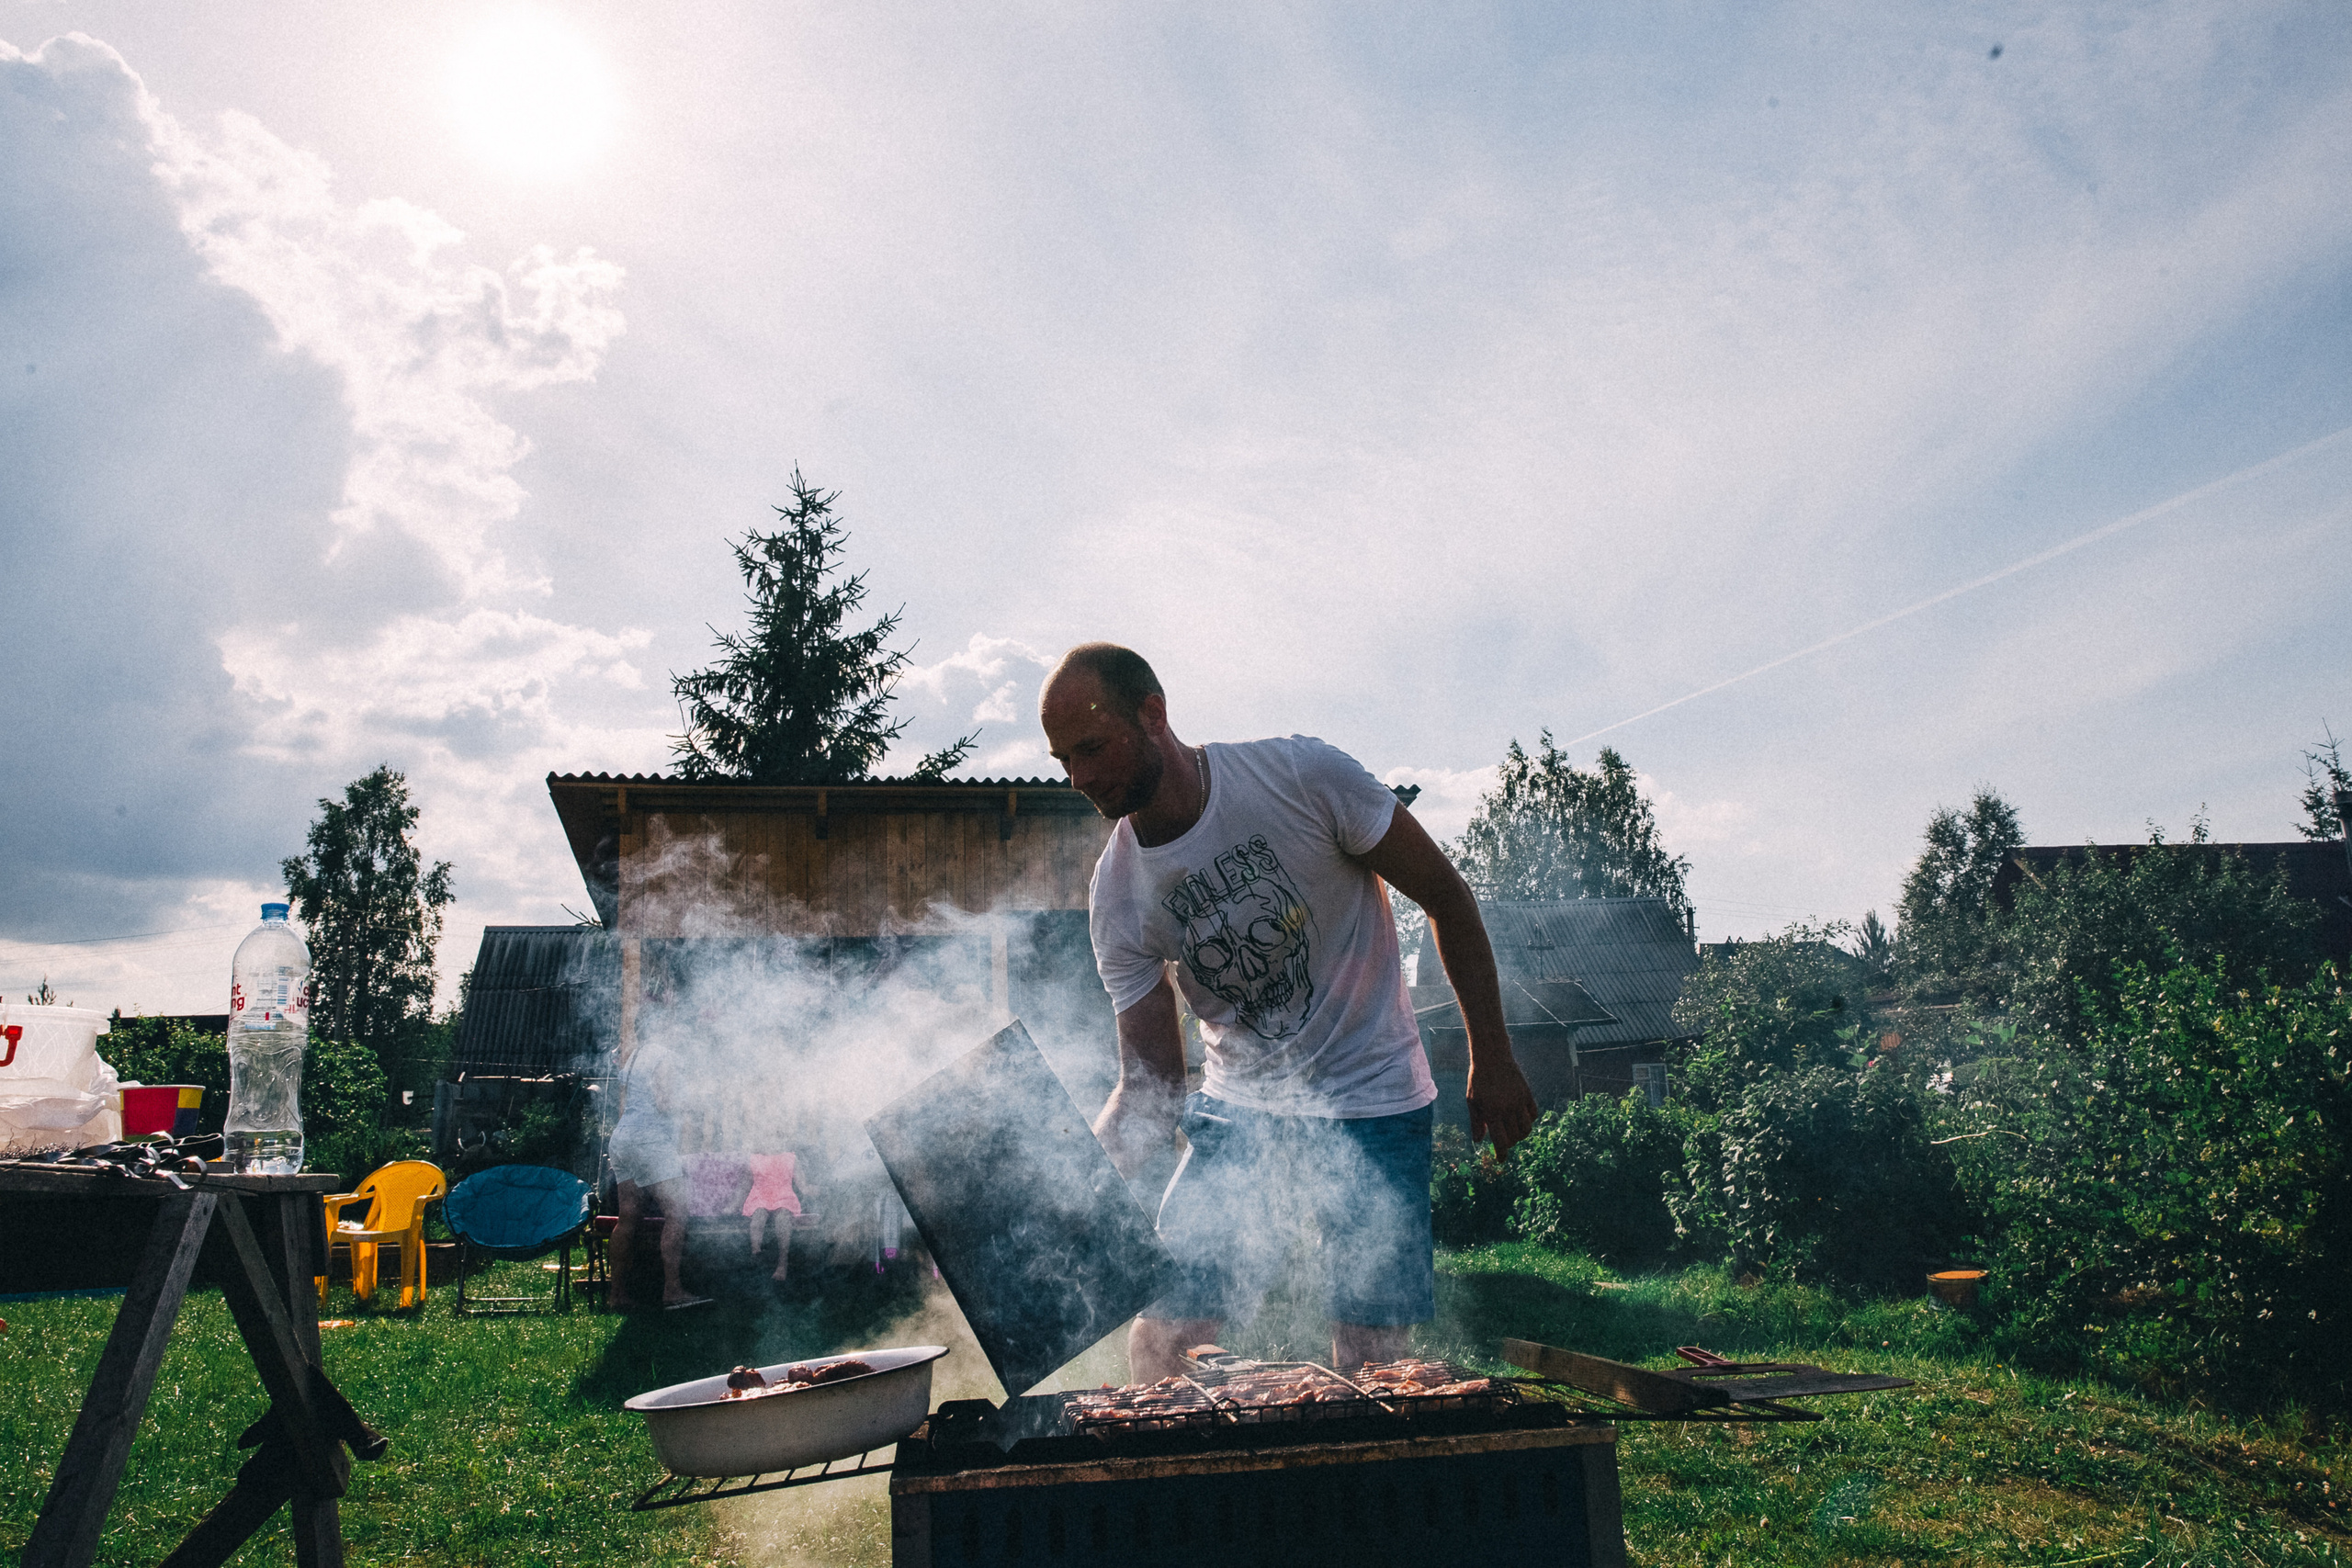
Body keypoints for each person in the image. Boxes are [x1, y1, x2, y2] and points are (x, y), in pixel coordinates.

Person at [1040, 642, 1536, 1382]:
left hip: (1373, 1094)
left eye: (1091, 747)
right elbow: (1151, 1091)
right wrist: (1062, 1199)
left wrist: (1491, 1056)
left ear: (1153, 714)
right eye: (1063, 760)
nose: (1079, 777)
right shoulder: (1116, 895)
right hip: (1241, 1109)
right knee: (1161, 1340)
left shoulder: (1301, 776)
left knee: (1372, 1365)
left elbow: (1446, 896)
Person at [605, 1035, 711, 1311]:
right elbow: (664, 1103)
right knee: (677, 1211)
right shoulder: (665, 1056)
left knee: (627, 1216)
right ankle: (673, 1290)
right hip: (648, 1140)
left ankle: (616, 1295)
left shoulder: (636, 1056)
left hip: (622, 1138)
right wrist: (693, 1104)